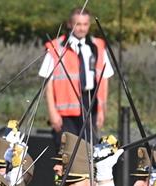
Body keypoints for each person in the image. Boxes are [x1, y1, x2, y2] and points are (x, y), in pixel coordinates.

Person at [40, 8, 114, 141]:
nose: (82, 28)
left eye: (85, 24)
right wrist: (52, 112)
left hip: (90, 103)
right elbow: (48, 83)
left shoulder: (98, 46)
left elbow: (104, 79)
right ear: (70, 24)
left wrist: (102, 109)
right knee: (65, 151)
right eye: (78, 24)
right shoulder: (56, 47)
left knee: (89, 149)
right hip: (65, 108)